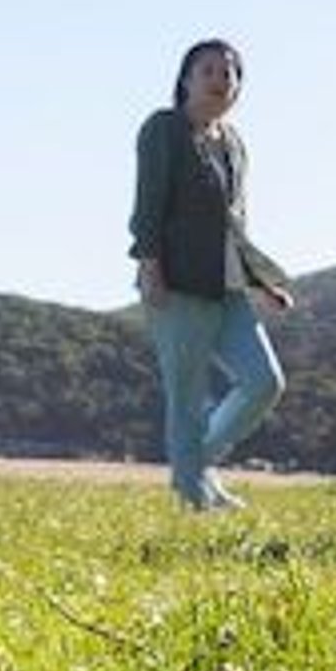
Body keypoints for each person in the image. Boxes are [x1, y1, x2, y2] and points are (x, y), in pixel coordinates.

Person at [129, 37, 295, 511]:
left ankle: (195, 464)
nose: (221, 81)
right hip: (176, 282)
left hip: (227, 288)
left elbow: (235, 226)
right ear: (186, 79)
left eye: (230, 74)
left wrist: (262, 281)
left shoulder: (235, 145)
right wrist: (150, 267)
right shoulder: (164, 130)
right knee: (187, 396)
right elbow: (148, 205)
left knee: (265, 382)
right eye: (209, 71)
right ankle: (193, 496)